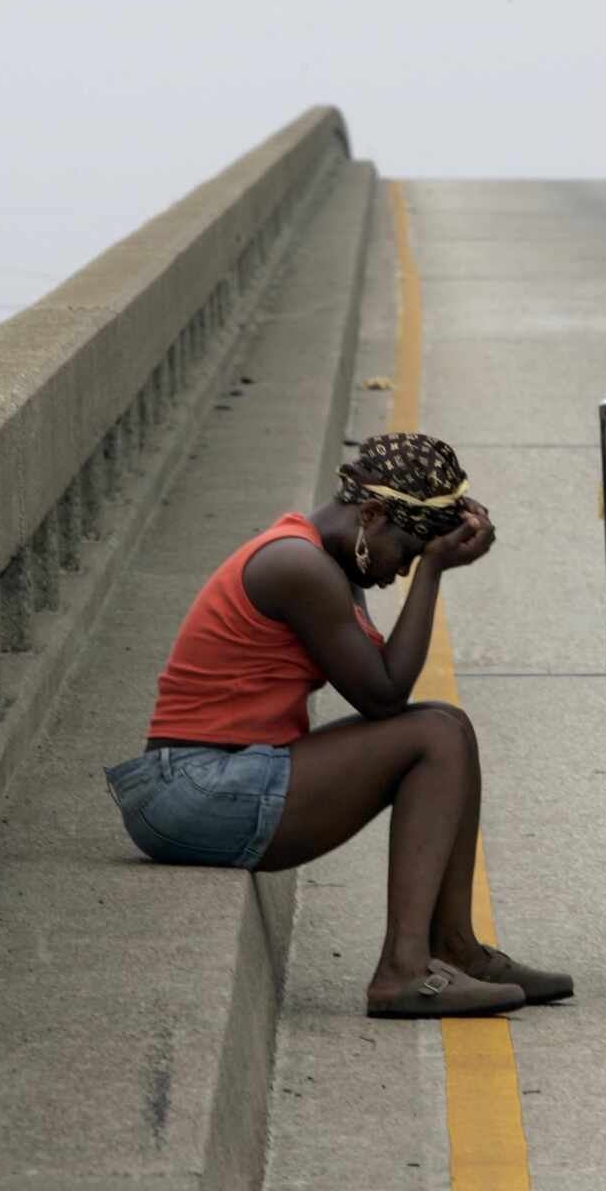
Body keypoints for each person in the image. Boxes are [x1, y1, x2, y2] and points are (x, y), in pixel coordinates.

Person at [104, 431, 572, 1019]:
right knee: (435, 734)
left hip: (217, 781)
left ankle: (454, 947)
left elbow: (385, 682)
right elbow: (382, 696)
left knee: (448, 724)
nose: (399, 572)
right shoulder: (296, 565)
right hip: (190, 790)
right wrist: (434, 572)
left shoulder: (328, 558)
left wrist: (426, 556)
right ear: (371, 514)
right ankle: (402, 971)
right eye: (404, 552)